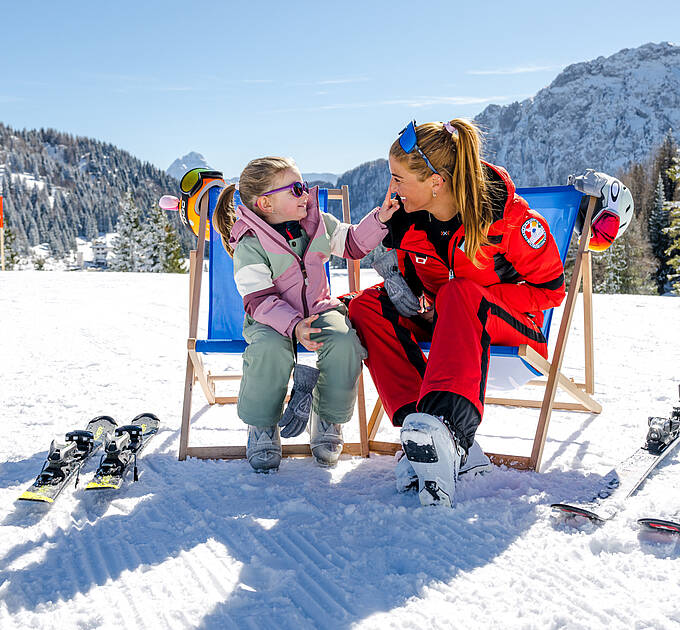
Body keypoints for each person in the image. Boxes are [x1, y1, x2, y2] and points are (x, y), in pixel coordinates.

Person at [348, 119, 566, 507]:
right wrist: (405, 291)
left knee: (458, 292)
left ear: (436, 182)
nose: (391, 189)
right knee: (367, 306)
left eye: (398, 179)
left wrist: (466, 299)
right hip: (446, 323)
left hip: (511, 330)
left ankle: (450, 431)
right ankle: (422, 436)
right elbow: (411, 280)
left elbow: (551, 291)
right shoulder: (405, 219)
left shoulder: (506, 218)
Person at [213, 156, 396, 473]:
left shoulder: (318, 223)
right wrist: (294, 325)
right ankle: (262, 424)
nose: (306, 195)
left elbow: (352, 244)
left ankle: (327, 418)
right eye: (296, 189)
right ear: (266, 203)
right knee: (268, 350)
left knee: (344, 342)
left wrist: (380, 219)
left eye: (304, 186)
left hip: (319, 308)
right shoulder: (250, 243)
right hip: (271, 318)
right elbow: (259, 299)